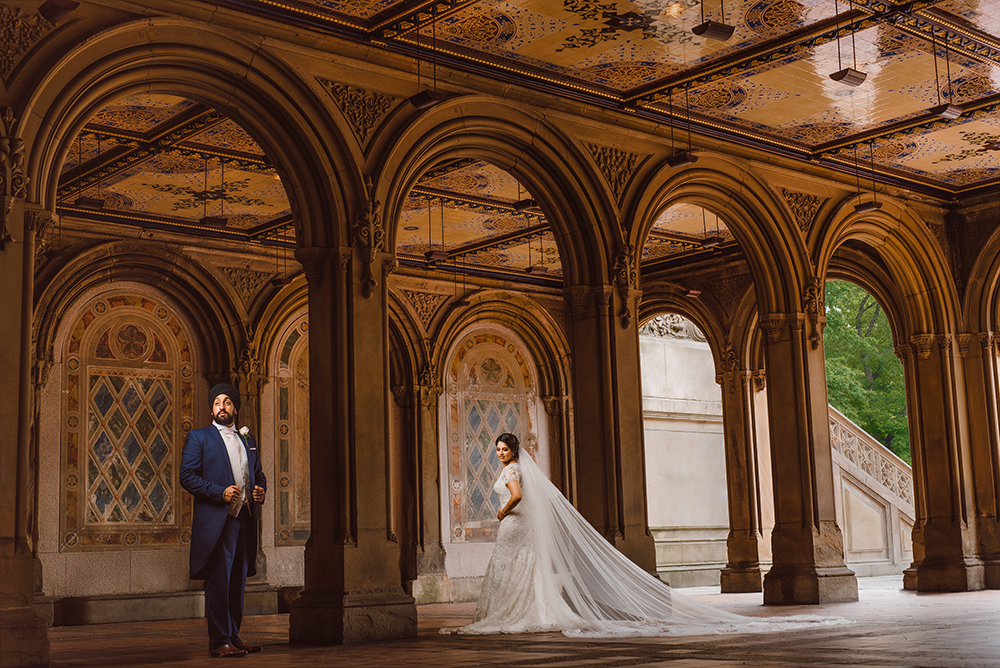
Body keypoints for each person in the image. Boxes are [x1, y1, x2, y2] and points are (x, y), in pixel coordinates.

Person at [447, 433, 848, 637]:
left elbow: (516, 498)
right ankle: (524, 611)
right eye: (497, 449)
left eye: (503, 449)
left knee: (517, 568)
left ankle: (523, 613)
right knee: (517, 570)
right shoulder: (516, 468)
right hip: (518, 531)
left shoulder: (515, 473)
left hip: (515, 526)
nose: (499, 453)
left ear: (513, 451)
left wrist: (501, 510)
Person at [180, 383, 267, 657]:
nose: (222, 406)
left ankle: (233, 635)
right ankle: (219, 641)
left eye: (227, 402)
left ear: (235, 408)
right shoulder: (199, 438)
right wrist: (220, 492)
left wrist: (260, 489)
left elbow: (258, 472)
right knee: (219, 582)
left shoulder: (248, 439)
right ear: (211, 407)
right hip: (218, 521)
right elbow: (187, 476)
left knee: (237, 582)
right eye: (217, 402)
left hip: (245, 519)